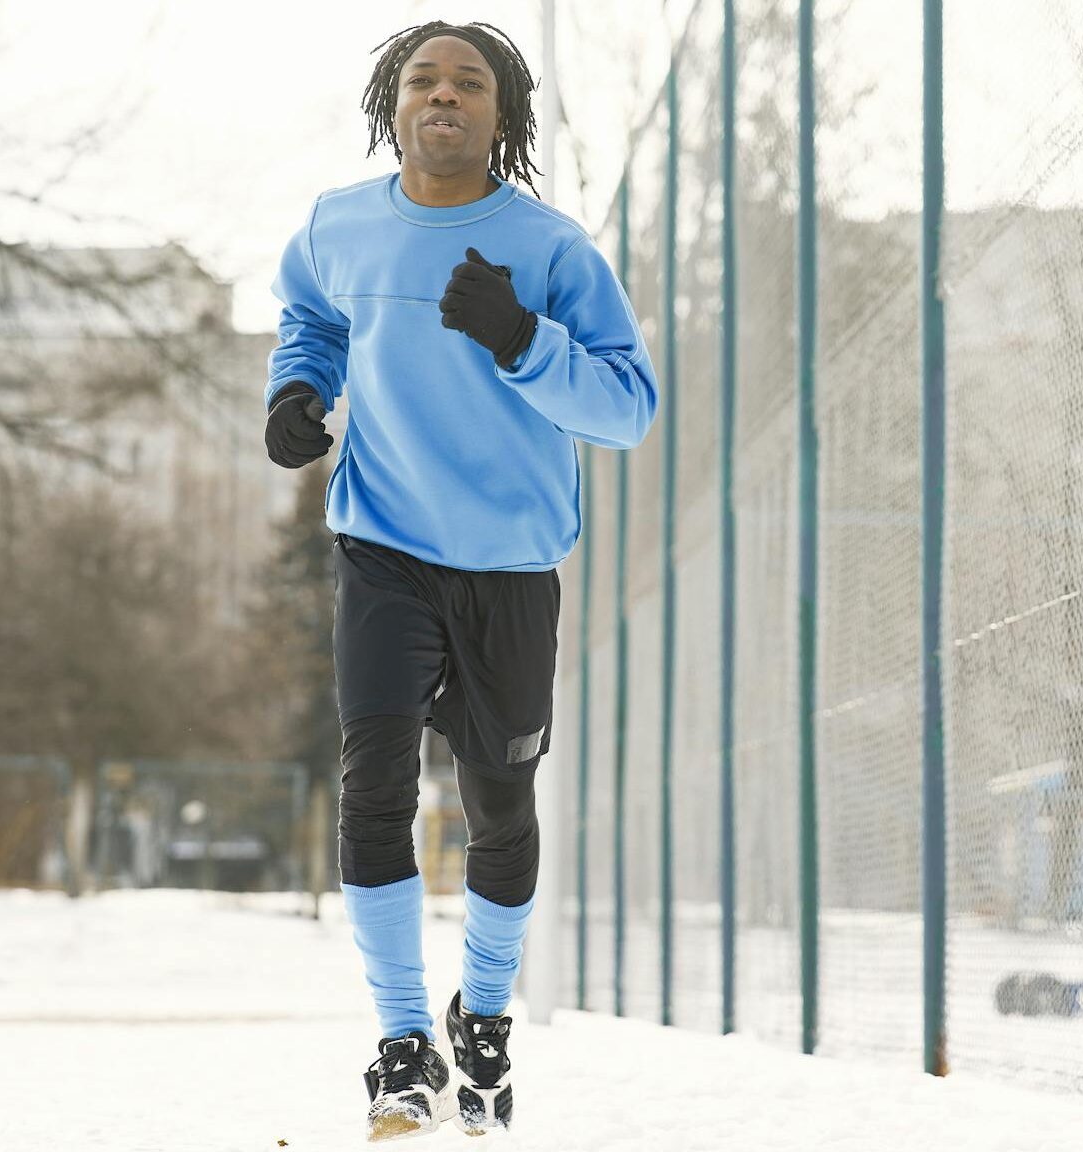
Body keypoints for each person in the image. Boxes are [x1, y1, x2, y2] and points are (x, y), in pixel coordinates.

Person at [262, 19, 657, 1141]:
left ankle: (481, 1019)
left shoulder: (551, 249)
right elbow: (311, 320)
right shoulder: (338, 227)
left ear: (502, 114)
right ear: (392, 104)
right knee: (375, 785)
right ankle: (402, 1044)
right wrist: (296, 392)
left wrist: (522, 337)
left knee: (498, 805)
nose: (444, 95)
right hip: (382, 544)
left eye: (469, 83)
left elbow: (627, 409)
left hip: (510, 563)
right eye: (423, 79)